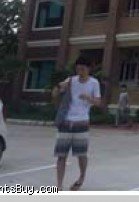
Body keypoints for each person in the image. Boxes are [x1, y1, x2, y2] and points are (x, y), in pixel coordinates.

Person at [51, 56, 102, 191]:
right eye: (78, 69)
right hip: (66, 122)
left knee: (81, 154)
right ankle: (59, 185)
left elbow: (98, 102)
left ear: (89, 69)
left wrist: (88, 98)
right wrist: (59, 86)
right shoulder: (71, 80)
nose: (80, 72)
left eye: (83, 69)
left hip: (82, 122)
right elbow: (54, 94)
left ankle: (81, 177)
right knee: (61, 155)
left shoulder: (94, 83)